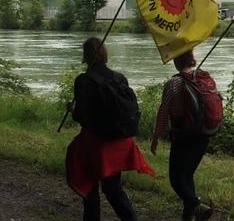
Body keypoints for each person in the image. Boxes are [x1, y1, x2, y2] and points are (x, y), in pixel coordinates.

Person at [66, 37, 155, 221]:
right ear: (104, 54)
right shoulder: (119, 77)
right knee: (112, 188)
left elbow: (82, 117)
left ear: (86, 56)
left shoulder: (83, 80)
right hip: (121, 140)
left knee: (90, 187)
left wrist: (72, 111)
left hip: (97, 143)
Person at [151, 49, 214, 221]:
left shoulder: (174, 83)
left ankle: (197, 205)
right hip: (203, 135)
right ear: (191, 60)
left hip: (183, 137)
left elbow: (163, 112)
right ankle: (189, 217)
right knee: (187, 176)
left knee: (176, 180)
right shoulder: (202, 78)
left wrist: (156, 136)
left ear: (176, 62)